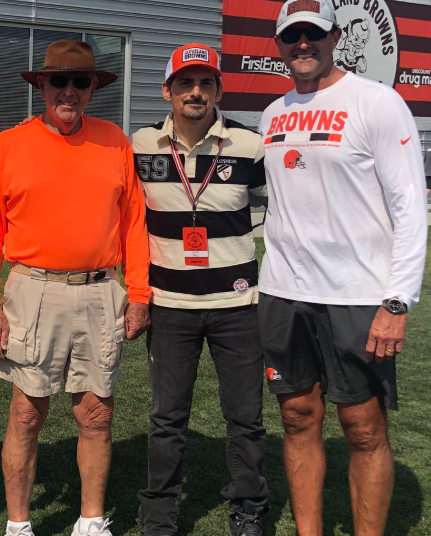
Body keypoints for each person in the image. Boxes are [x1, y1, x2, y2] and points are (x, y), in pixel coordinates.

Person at [261, 1, 427, 535]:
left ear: (335, 36)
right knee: (296, 418)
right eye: (292, 36)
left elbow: (409, 207)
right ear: (281, 44)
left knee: (361, 427)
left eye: (313, 33)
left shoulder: (377, 103)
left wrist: (397, 301)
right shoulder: (273, 113)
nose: (302, 44)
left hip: (358, 296)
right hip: (284, 291)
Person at [0, 39, 151, 536]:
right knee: (27, 414)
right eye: (59, 81)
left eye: (80, 81)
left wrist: (139, 294)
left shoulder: (115, 141)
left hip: (100, 291)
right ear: (42, 86)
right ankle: (19, 524)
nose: (68, 91)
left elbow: (133, 223)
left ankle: (91, 521)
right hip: (32, 291)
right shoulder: (9, 144)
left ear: (93, 89)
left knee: (95, 414)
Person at [130, 43, 268, 536]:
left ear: (218, 91)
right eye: (185, 83)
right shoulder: (140, 144)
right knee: (168, 419)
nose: (196, 92)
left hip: (237, 304)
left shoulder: (250, 146)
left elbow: (266, 207)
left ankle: (248, 508)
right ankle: (159, 516)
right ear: (167, 90)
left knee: (246, 418)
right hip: (170, 306)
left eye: (206, 83)